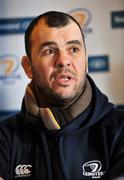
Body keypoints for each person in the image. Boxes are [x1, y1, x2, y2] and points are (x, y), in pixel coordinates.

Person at [0, 11, 124, 180]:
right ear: (28, 66)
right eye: (50, 50)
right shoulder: (5, 136)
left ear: (86, 61)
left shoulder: (120, 130)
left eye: (73, 49)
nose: (63, 60)